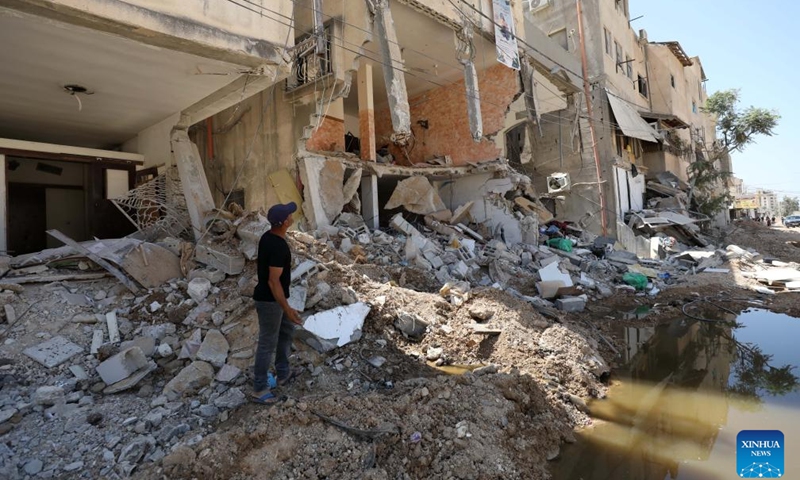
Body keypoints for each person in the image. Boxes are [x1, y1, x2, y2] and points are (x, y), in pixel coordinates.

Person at [251, 202, 304, 404]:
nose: (292, 216)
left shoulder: (269, 237)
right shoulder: (278, 246)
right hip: (269, 301)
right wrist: (286, 308)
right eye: (289, 215)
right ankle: (259, 388)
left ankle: (283, 373)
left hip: (274, 299)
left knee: (286, 331)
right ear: (283, 222)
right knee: (267, 343)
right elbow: (274, 282)